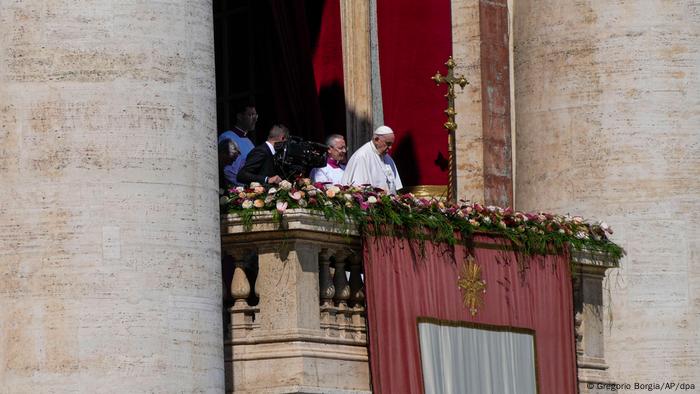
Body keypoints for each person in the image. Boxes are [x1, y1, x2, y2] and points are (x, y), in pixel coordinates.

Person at [341, 125, 403, 194]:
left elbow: (396, 187)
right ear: (376, 140)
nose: (390, 147)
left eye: (391, 144)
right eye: (388, 144)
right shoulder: (362, 156)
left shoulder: (387, 158)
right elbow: (359, 190)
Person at [218, 103, 258, 185]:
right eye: (250, 115)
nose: (254, 119)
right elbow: (227, 170)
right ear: (240, 117)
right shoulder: (227, 136)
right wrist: (244, 188)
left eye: (255, 115)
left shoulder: (250, 143)